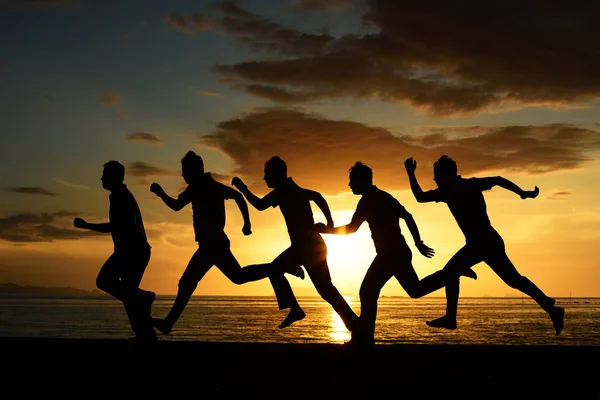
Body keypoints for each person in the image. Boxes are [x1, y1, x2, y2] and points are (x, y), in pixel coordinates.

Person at [317, 161, 475, 346]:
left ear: (363, 180)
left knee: (367, 291)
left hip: (389, 254)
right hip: (401, 251)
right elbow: (407, 216)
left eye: (352, 180)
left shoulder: (369, 200)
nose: (350, 185)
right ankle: (451, 274)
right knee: (415, 290)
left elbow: (352, 228)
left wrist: (327, 230)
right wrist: (417, 242)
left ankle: (364, 339)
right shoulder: (384, 196)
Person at [403, 155, 564, 335]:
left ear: (447, 175)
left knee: (455, 272)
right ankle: (550, 307)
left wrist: (410, 173)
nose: (434, 179)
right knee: (513, 280)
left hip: (481, 244)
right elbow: (499, 180)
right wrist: (521, 193)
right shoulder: (467, 185)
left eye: (437, 176)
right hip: (487, 242)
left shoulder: (451, 190)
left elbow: (419, 197)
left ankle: (450, 317)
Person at [148, 151, 302, 335]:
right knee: (237, 277)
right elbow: (237, 196)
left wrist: (160, 193)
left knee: (188, 282)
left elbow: (175, 206)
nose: (182, 175)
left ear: (193, 170)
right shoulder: (211, 185)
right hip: (215, 243)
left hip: (211, 245)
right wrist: (246, 222)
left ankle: (168, 323)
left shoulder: (199, 187)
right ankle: (277, 268)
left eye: (184, 171)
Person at [231, 156, 359, 333]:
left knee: (280, 272)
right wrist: (329, 220)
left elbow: (260, 205)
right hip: (308, 247)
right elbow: (317, 196)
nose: (265, 178)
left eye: (267, 174)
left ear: (278, 174)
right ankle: (355, 326)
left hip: (307, 248)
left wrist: (242, 188)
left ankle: (297, 306)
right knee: (326, 290)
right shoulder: (293, 189)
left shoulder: (284, 190)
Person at [73, 160, 156, 341]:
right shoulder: (119, 196)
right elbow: (120, 226)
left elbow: (121, 225)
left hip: (133, 252)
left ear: (115, 177)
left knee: (105, 281)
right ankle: (145, 334)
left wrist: (88, 226)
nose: (101, 179)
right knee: (128, 294)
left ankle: (144, 298)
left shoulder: (122, 197)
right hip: (130, 251)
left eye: (105, 176)